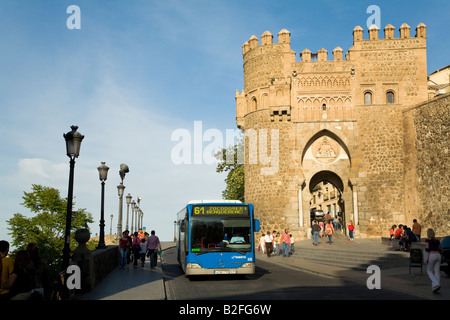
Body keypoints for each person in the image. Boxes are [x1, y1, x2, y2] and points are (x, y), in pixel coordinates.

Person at [424, 228, 442, 293]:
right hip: (438, 255)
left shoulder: (427, 240)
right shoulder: (437, 240)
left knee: (429, 270)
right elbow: (440, 248)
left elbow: (427, 249)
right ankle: (435, 286)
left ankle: (436, 283)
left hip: (432, 255)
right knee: (437, 271)